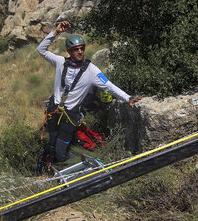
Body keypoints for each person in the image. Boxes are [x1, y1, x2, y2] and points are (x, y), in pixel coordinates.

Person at [36, 20, 142, 163]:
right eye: (76, 49)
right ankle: (50, 162)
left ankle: (61, 164)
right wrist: (55, 32)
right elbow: (40, 50)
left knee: (61, 144)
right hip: (54, 110)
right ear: (69, 51)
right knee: (52, 140)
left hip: (70, 114)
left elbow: (109, 86)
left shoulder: (91, 70)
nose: (80, 51)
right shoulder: (60, 62)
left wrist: (127, 98)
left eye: (82, 48)